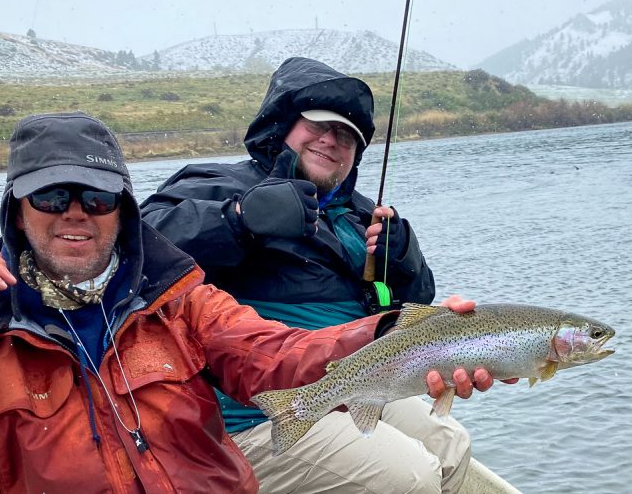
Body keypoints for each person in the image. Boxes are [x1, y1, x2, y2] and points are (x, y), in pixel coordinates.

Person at [0, 111, 487, 493]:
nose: (75, 214)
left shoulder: (179, 302)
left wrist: (401, 334)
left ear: (122, 212)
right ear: (16, 211)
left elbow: (278, 354)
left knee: (446, 445)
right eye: (52, 197)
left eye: (97, 198)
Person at [141, 57, 491, 493]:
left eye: (347, 135)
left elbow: (405, 309)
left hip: (356, 383)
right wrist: (236, 219)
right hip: (250, 411)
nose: (331, 140)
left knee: (451, 444)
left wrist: (406, 261)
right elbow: (140, 249)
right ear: (284, 126)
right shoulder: (218, 185)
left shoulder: (364, 215)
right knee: (409, 477)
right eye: (318, 125)